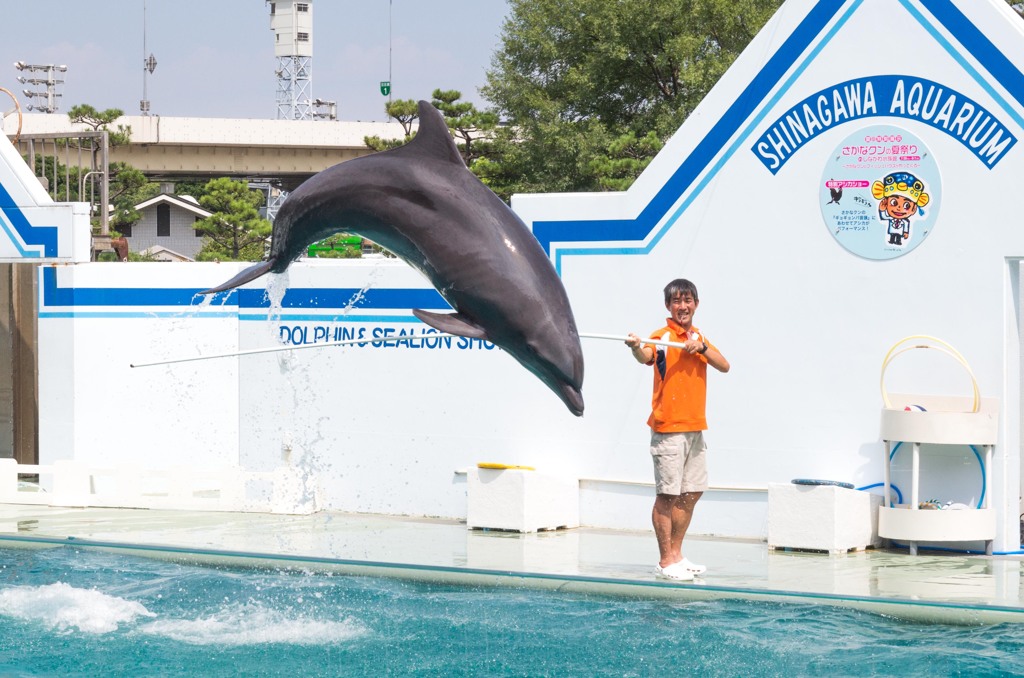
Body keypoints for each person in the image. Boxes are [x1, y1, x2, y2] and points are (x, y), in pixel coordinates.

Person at [625, 279, 730, 582]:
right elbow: (646, 355)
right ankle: (664, 560)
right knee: (667, 496)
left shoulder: (698, 337)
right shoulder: (663, 336)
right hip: (668, 428)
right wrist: (635, 347)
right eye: (676, 301)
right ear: (668, 306)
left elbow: (724, 365)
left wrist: (703, 347)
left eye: (687, 300)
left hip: (695, 427)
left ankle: (676, 555)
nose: (682, 306)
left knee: (692, 492)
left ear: (696, 303)